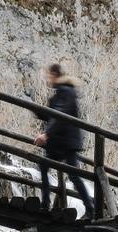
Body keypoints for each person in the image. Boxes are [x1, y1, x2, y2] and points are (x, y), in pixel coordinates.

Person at [34, 64, 95, 220]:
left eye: (49, 76)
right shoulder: (61, 93)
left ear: (55, 75)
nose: (48, 79)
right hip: (62, 141)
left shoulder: (66, 92)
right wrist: (34, 109)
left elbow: (60, 115)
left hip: (66, 142)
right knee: (46, 166)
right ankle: (46, 205)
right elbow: (51, 115)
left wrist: (46, 135)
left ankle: (89, 209)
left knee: (73, 175)